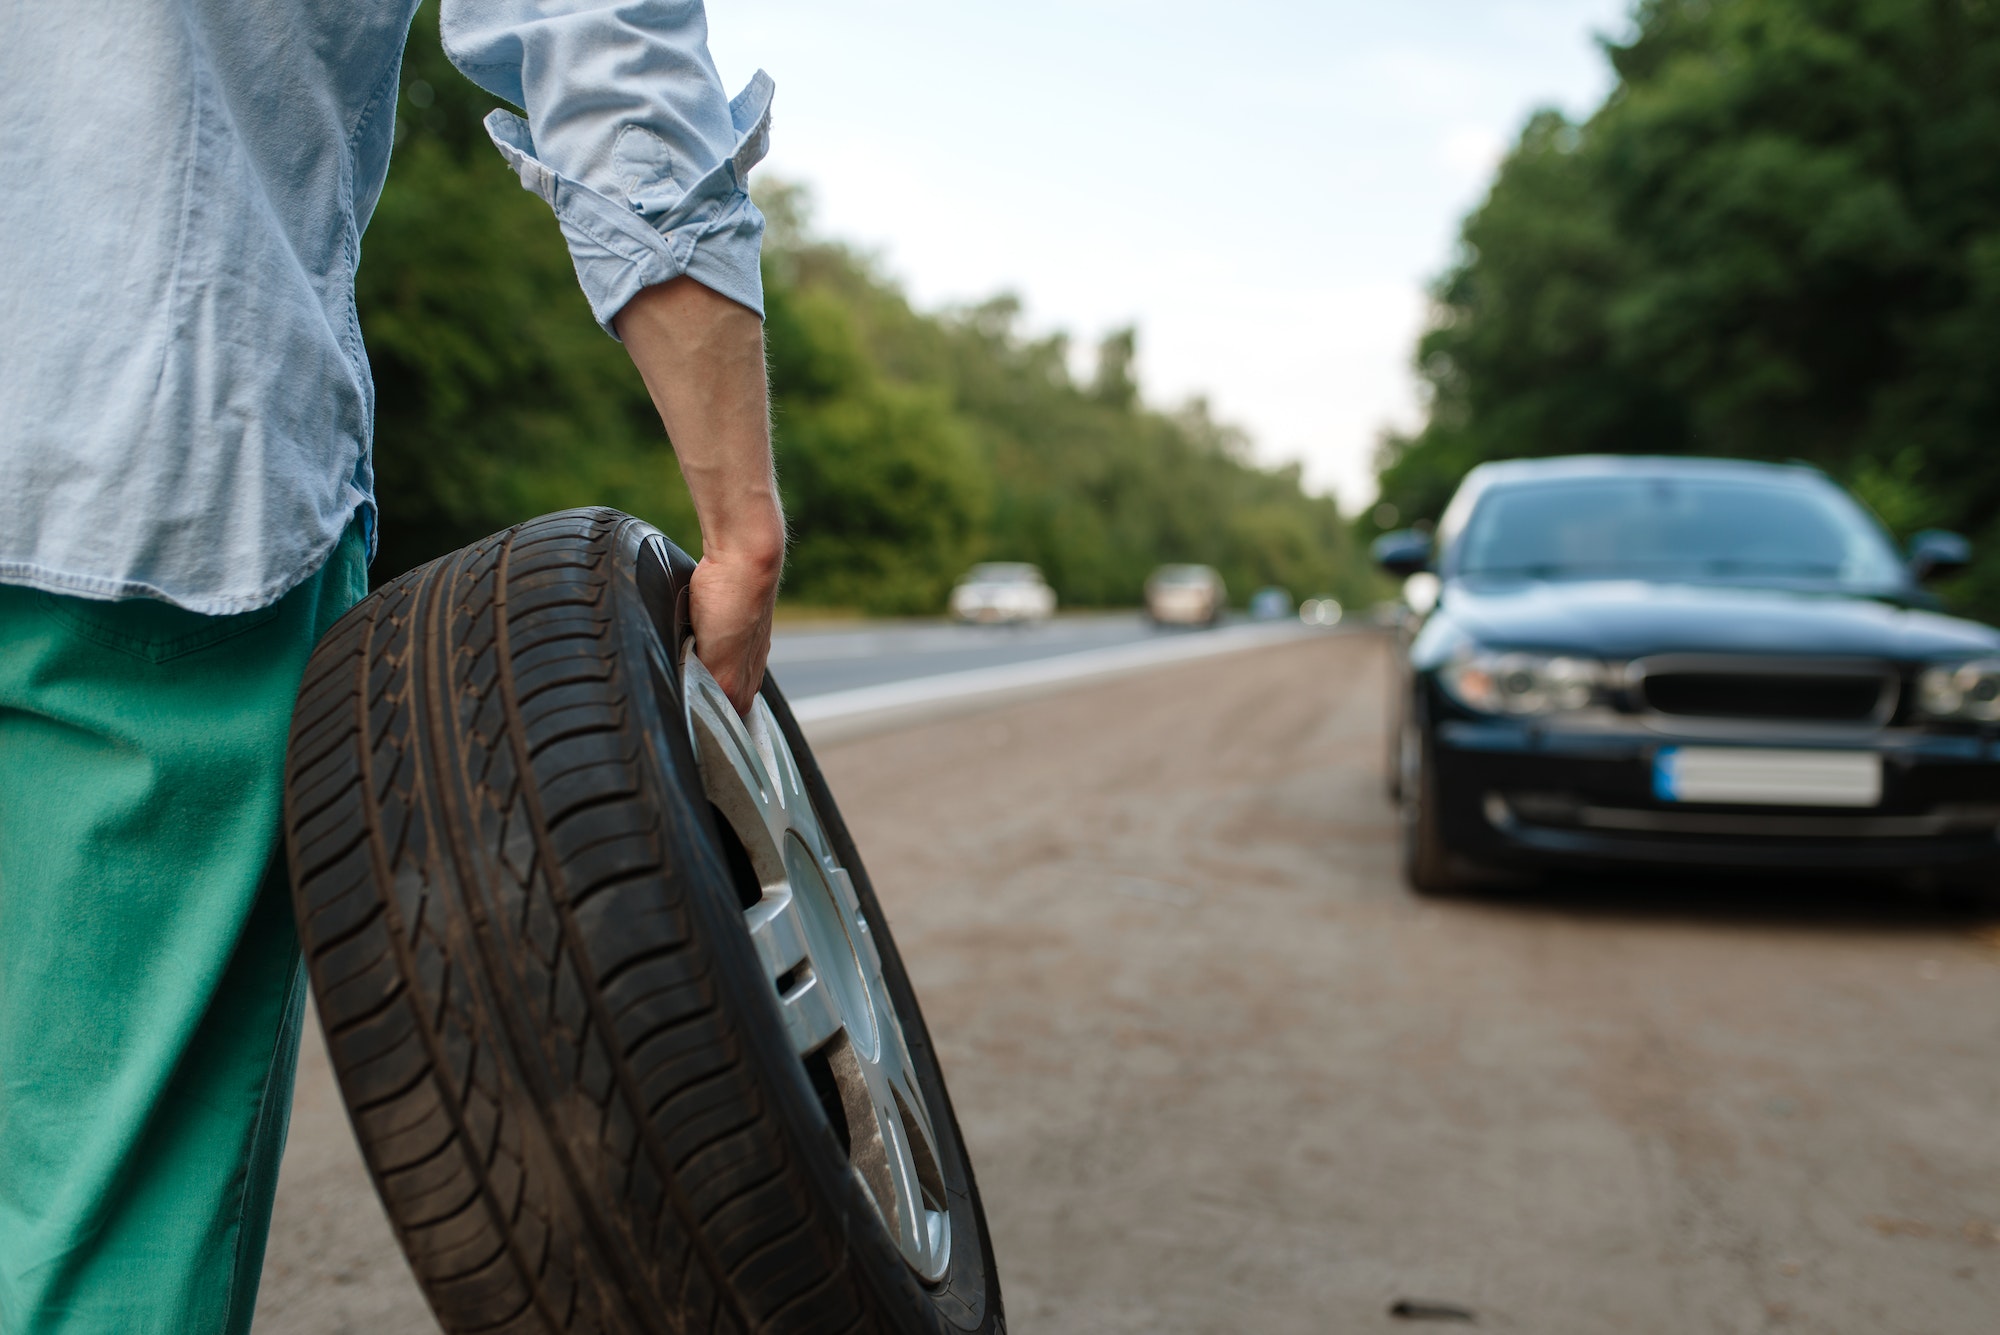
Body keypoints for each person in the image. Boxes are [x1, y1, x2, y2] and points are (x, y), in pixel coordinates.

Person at [0, 1, 783, 1329]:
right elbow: (592, 33)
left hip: (122, 471)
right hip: (135, 469)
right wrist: (738, 509)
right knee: (91, 1232)